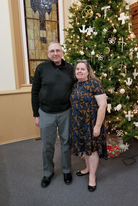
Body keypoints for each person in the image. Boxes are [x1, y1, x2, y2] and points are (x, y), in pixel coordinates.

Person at [31, 41, 75, 188]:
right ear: (48, 54)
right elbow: (35, 91)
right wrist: (36, 114)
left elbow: (76, 88)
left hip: (66, 112)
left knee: (66, 143)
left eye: (58, 50)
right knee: (47, 146)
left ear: (62, 52)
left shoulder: (70, 69)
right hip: (46, 113)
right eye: (52, 51)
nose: (55, 53)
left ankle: (67, 170)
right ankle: (48, 173)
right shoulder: (41, 68)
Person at [70, 60, 107, 192]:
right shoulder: (75, 85)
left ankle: (92, 176)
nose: (79, 71)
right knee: (86, 148)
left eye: (82, 69)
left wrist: (97, 126)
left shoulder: (95, 83)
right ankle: (86, 168)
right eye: (77, 69)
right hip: (78, 124)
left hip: (91, 123)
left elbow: (103, 106)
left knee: (92, 150)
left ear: (88, 71)